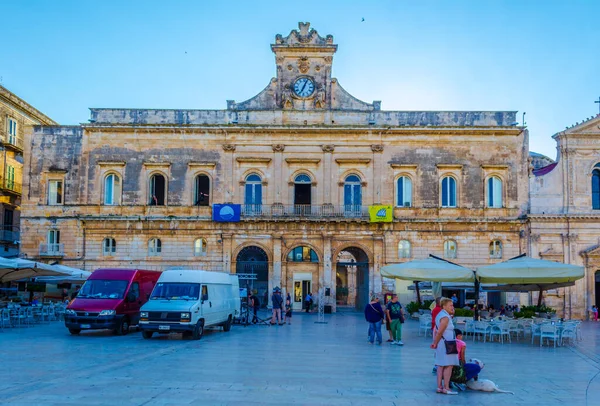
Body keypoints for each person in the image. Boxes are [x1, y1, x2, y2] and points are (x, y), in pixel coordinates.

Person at [430, 297, 459, 395]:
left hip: (443, 343)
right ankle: (446, 387)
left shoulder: (442, 315)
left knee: (440, 365)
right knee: (448, 365)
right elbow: (440, 331)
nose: (452, 307)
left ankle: (439, 387)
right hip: (447, 344)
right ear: (444, 306)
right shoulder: (445, 317)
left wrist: (436, 342)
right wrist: (435, 343)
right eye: (450, 305)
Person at [431, 297, 442, 373]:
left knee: (438, 348)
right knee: (439, 347)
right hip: (438, 330)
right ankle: (437, 365)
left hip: (436, 329)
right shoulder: (440, 310)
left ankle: (437, 364)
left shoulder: (435, 309)